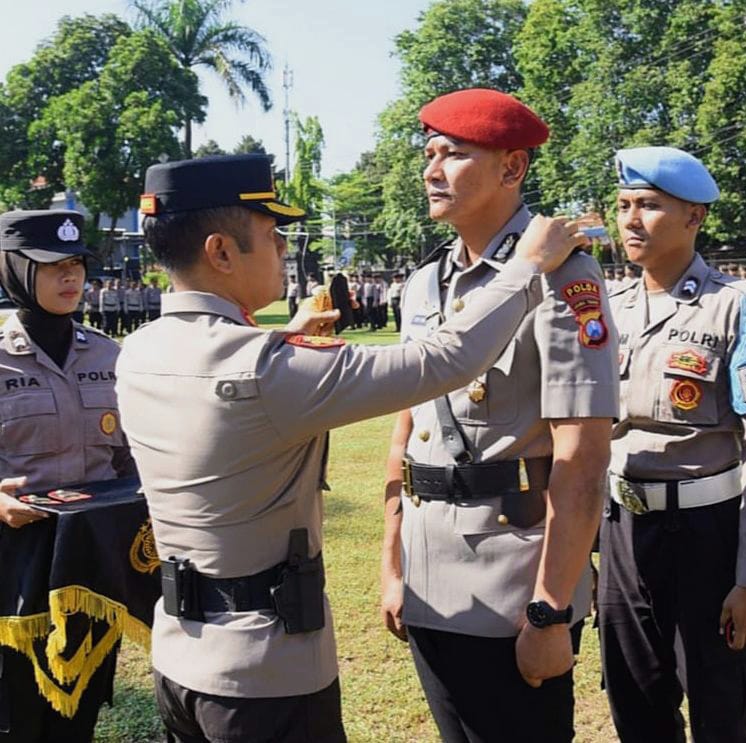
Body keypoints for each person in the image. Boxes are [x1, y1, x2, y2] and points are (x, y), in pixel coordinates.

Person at [116, 153, 585, 743]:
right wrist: (525, 266)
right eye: (270, 235)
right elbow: (445, 360)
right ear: (221, 252)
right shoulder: (269, 371)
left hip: (181, 654)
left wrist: (283, 346)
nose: (284, 249)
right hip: (265, 672)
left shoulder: (139, 350)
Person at [379, 89, 617, 743]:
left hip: (512, 586)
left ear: (512, 168)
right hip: (431, 577)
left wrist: (548, 609)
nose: (431, 169)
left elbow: (584, 456)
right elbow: (409, 424)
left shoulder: (565, 277)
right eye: (428, 154)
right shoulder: (424, 283)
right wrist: (394, 563)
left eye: (452, 154)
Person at [603, 146, 746, 743]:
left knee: (722, 715)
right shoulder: (604, 311)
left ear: (694, 217)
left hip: (706, 536)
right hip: (621, 534)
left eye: (650, 206)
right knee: (636, 710)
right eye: (624, 205)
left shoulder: (738, 307)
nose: (632, 220)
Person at [0, 209, 136, 741]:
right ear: (12, 268)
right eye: (53, 264)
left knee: (79, 711)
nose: (71, 276)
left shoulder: (108, 355)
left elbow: (130, 461)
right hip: (13, 567)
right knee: (15, 714)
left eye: (77, 263)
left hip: (91, 567)